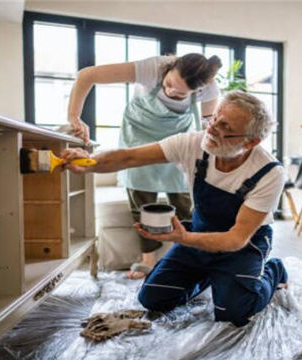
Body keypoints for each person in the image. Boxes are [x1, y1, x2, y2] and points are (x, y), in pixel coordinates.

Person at [62, 91, 288, 326]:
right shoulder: (194, 143)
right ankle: (214, 276)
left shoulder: (269, 172)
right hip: (199, 234)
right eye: (213, 119)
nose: (211, 129)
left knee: (234, 314)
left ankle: (274, 270)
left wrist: (184, 238)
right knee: (153, 299)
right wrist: (89, 162)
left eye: (224, 127)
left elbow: (236, 239)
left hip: (243, 245)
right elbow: (129, 158)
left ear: (250, 142)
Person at [67, 53, 222, 279]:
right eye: (169, 84)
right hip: (139, 135)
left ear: (197, 91)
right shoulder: (152, 69)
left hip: (178, 139)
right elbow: (87, 75)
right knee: (141, 199)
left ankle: (190, 257)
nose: (171, 92)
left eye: (180, 94)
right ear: (169, 69)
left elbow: (209, 125)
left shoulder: (209, 89)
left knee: (185, 201)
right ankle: (148, 257)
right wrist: (74, 116)